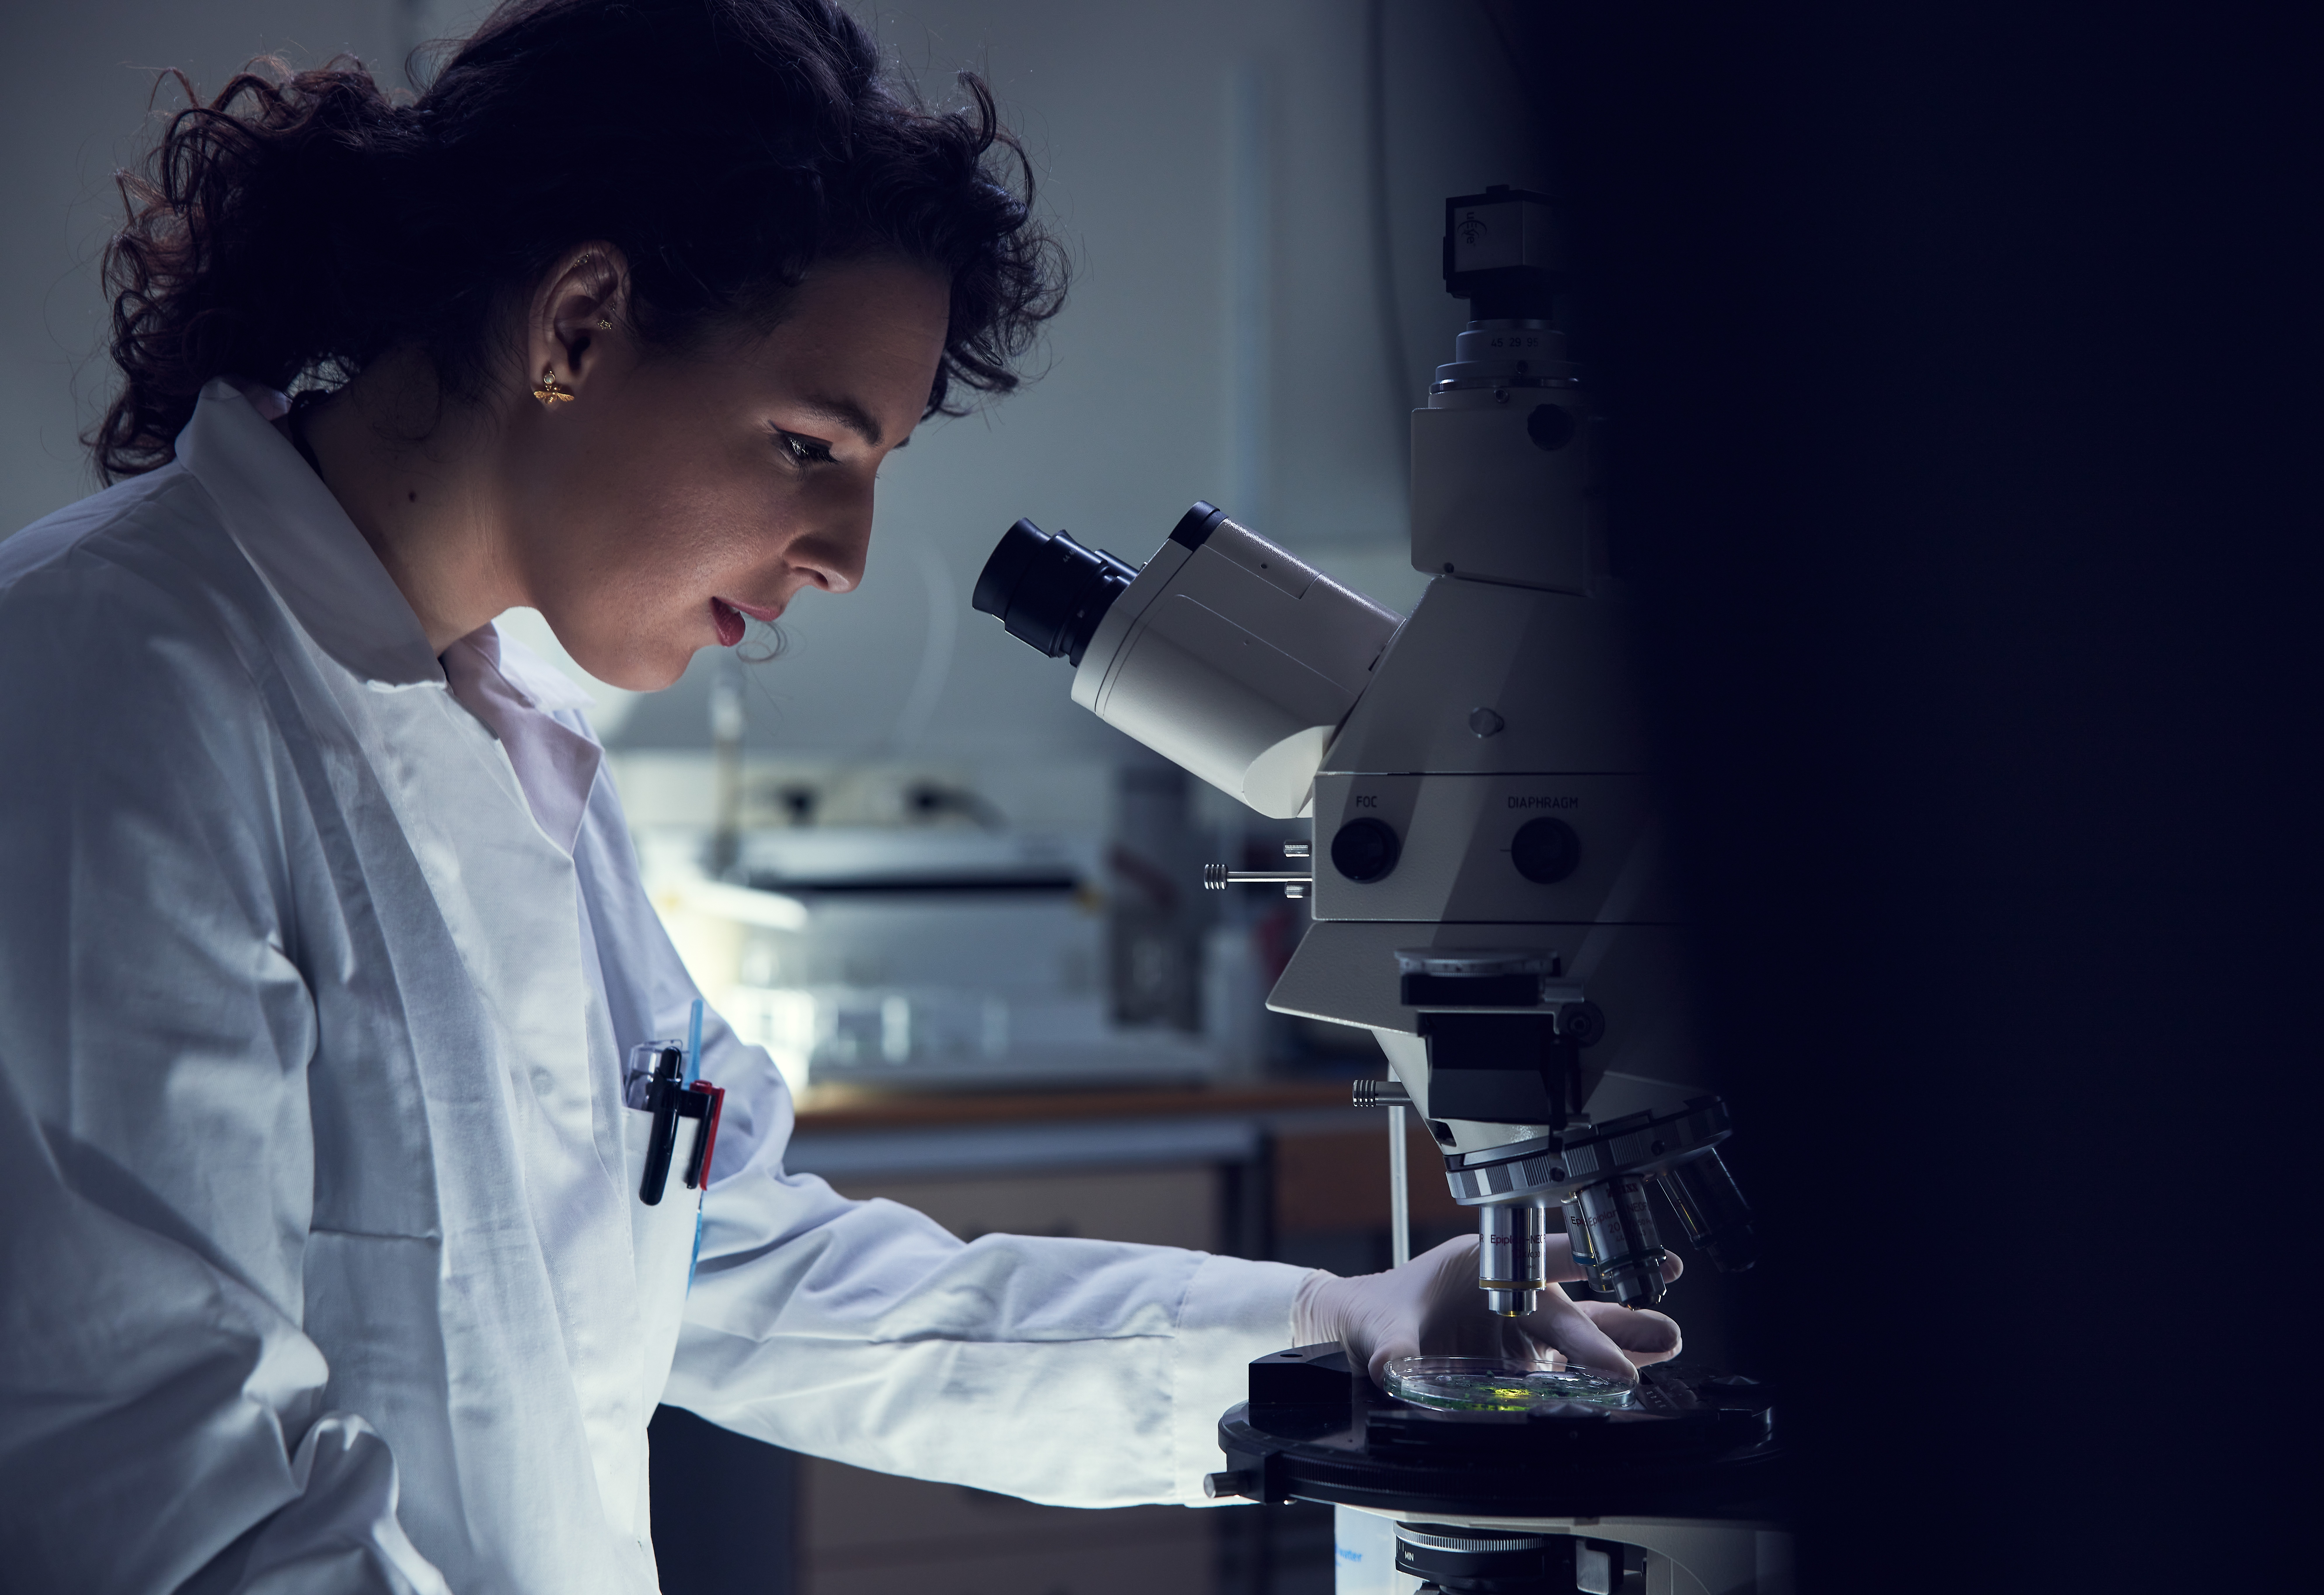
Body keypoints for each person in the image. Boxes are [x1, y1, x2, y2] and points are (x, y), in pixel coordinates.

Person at [0, 2, 1683, 1589]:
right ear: (575, 326)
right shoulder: (109, 691)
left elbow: (757, 1275)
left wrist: (1343, 1326)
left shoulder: (500, 742)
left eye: (875, 470)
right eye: (813, 444)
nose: (850, 559)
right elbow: (168, 1504)